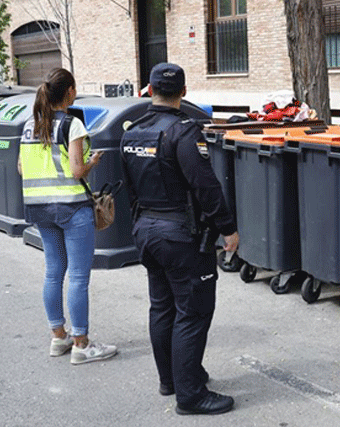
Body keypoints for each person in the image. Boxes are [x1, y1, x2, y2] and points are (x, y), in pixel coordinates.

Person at [120, 63, 239, 416]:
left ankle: (172, 379)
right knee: (194, 311)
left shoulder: (132, 132)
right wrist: (227, 228)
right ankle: (190, 395)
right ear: (183, 92)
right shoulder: (184, 132)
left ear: (148, 89)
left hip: (147, 231)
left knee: (162, 306)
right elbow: (205, 185)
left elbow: (130, 188)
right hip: (180, 236)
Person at [18, 68, 118, 365]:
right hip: (72, 208)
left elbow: (22, 169)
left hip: (39, 208)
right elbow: (76, 171)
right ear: (70, 92)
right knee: (77, 276)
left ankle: (58, 338)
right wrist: (92, 161)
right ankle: (82, 344)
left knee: (53, 271)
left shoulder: (29, 125)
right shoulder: (72, 125)